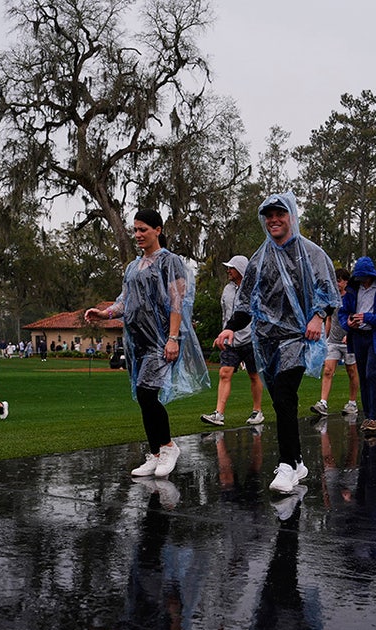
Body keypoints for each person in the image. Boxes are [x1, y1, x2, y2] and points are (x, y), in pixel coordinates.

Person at [213, 192, 340, 494]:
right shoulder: (260, 258)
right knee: (280, 399)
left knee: (284, 394)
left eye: (279, 214)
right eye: (268, 216)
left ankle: (286, 466)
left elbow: (329, 291)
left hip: (298, 337)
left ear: (291, 216)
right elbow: (246, 303)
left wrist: (318, 317)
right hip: (266, 340)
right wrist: (230, 329)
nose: (274, 220)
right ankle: (296, 461)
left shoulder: (311, 253)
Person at [86, 208, 209, 480]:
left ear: (158, 230)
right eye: (136, 230)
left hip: (161, 340)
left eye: (143, 229)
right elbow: (124, 300)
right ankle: (155, 453)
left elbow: (178, 301)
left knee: (146, 393)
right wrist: (104, 313)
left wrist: (173, 337)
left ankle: (167, 446)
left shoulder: (170, 261)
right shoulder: (132, 267)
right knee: (143, 398)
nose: (138, 235)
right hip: (137, 342)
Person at [201, 255, 265, 428]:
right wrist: (223, 332)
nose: (228, 271)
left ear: (241, 269)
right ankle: (219, 414)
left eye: (231, 267)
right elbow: (225, 314)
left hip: (251, 339)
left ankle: (257, 411)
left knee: (254, 375)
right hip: (230, 340)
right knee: (224, 373)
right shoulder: (227, 290)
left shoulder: (253, 290)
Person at [337, 256, 376, 436]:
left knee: (372, 373)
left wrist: (368, 318)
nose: (362, 279)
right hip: (358, 336)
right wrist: (349, 322)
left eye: (364, 276)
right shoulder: (352, 290)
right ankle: (368, 415)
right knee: (363, 375)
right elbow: (343, 313)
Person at [312, 267, 359, 417]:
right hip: (333, 340)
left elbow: (355, 318)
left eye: (339, 281)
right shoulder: (332, 299)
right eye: (335, 281)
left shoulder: (352, 298)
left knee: (351, 372)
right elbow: (329, 318)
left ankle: (352, 402)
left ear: (346, 282)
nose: (336, 284)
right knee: (327, 370)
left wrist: (350, 334)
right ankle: (323, 403)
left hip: (348, 340)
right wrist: (325, 338)